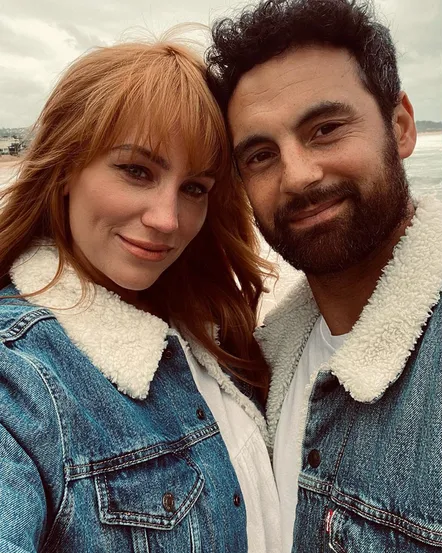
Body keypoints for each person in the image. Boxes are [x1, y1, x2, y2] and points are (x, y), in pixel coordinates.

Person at [0, 38, 280, 552]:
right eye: (136, 171)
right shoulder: (21, 375)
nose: (167, 220)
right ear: (65, 169)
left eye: (194, 188)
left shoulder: (209, 330)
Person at [207, 0, 442, 551]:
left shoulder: (441, 357)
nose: (299, 176)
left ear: (401, 126)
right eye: (261, 155)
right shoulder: (257, 372)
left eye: (326, 129)